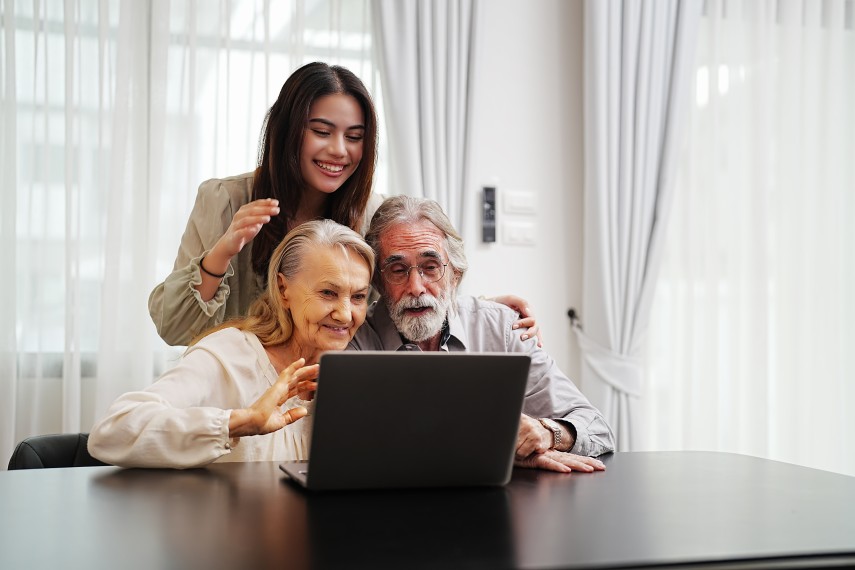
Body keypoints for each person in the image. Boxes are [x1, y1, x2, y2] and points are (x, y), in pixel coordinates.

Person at [149, 61, 540, 348]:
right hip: (241, 395)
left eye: (354, 137)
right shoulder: (224, 200)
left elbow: (401, 295)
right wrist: (222, 252)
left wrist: (482, 313)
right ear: (287, 132)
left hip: (331, 394)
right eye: (321, 131)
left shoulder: (372, 212)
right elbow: (173, 328)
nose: (339, 151)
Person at [349, 196, 616, 473]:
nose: (416, 287)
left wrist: (549, 433)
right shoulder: (356, 341)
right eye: (398, 270)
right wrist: (498, 450)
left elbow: (598, 428)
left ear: (455, 274)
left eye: (430, 267)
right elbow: (356, 447)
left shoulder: (503, 329)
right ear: (378, 282)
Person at [89, 220, 373, 468]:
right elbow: (112, 432)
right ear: (283, 289)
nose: (346, 314)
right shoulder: (230, 354)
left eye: (358, 297)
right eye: (327, 292)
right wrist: (241, 422)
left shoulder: (360, 372)